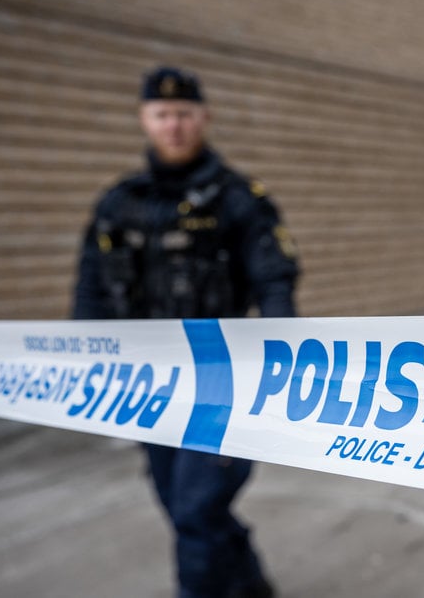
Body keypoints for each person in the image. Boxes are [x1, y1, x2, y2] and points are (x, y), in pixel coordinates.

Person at [72, 65, 299, 598]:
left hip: (222, 381)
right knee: (182, 507)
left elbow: (275, 282)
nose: (172, 126)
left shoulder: (239, 199)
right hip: (149, 384)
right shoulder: (118, 204)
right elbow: (91, 288)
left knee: (197, 510)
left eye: (183, 114)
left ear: (204, 118)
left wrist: (280, 354)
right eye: (161, 115)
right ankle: (250, 585)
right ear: (143, 120)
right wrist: (84, 358)